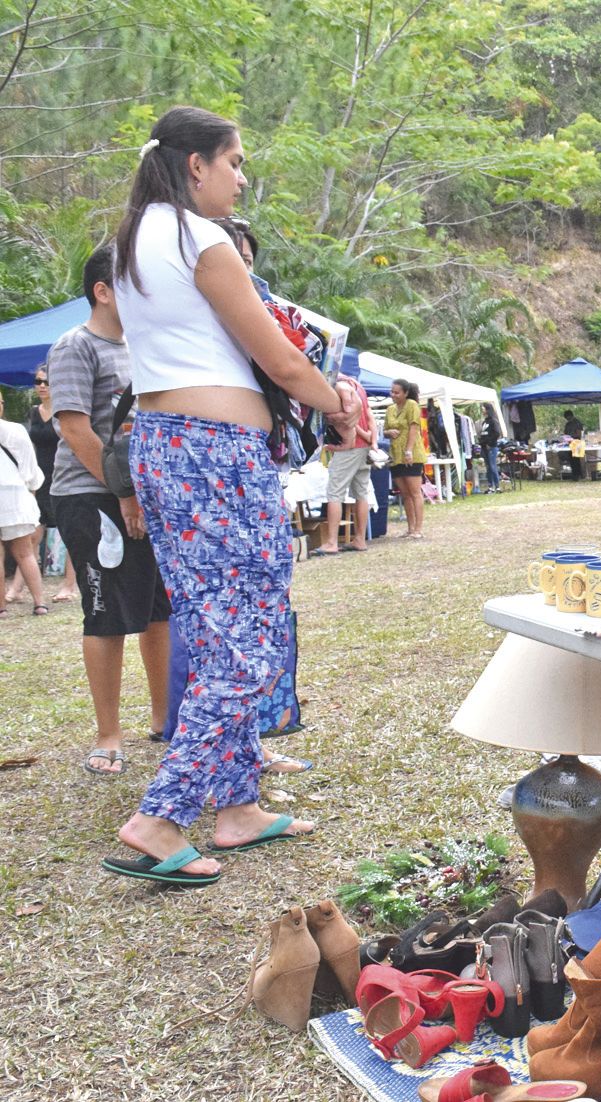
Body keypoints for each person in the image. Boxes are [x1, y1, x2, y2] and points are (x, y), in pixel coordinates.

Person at [106, 105, 358, 884]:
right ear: (195, 166)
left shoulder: (128, 244)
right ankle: (160, 816)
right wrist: (340, 404)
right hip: (216, 455)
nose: (241, 178)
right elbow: (280, 360)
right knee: (248, 641)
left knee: (217, 630)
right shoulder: (201, 238)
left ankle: (238, 806)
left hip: (164, 449)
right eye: (236, 162)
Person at [46, 244, 175, 776]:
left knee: (158, 609)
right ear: (103, 292)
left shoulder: (143, 346)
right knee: (107, 614)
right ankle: (108, 735)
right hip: (91, 496)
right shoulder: (76, 346)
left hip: (142, 497)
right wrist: (123, 492)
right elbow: (76, 429)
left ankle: (166, 718)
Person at [6, 367, 77, 604]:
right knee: (32, 535)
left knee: (69, 532)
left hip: (63, 473)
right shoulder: (33, 412)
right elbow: (28, 449)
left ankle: (69, 584)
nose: (41, 385)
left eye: (46, 381)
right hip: (39, 476)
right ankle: (16, 588)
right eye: (37, 381)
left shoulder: (64, 411)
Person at [315, 371, 375, 553]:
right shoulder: (360, 387)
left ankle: (332, 542)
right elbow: (369, 416)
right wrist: (372, 441)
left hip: (349, 446)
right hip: (364, 447)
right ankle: (359, 539)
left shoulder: (337, 386)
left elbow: (347, 417)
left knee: (334, 492)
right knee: (361, 493)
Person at [0, 415, 48, 615]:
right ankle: (39, 603)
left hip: (12, 493)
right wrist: (32, 487)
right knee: (25, 552)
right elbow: (29, 467)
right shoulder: (16, 430)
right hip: (15, 494)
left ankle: (1, 608)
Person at [384, 378, 428, 539]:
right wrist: (389, 433)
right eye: (392, 392)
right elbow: (385, 430)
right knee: (405, 493)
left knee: (415, 492)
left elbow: (414, 428)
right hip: (395, 455)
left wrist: (408, 450)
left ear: (406, 393)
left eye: (396, 392)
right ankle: (410, 528)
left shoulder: (412, 405)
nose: (393, 395)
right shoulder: (390, 409)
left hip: (411, 454)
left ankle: (418, 528)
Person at [479, 404, 504, 491]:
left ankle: (497, 486)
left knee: (493, 466)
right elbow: (483, 434)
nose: (482, 409)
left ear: (488, 409)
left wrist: (490, 443)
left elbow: (497, 433)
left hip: (491, 447)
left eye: (484, 407)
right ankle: (490, 486)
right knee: (488, 467)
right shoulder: (484, 422)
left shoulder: (493, 421)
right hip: (484, 447)